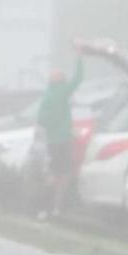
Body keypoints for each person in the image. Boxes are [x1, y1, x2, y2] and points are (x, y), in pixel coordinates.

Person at [35, 50, 85, 217]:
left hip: (52, 141)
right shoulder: (62, 92)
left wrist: (51, 126)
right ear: (60, 80)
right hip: (64, 140)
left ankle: (44, 207)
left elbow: (41, 120)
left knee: (53, 174)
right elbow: (78, 79)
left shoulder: (47, 96)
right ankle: (55, 207)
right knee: (64, 175)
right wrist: (79, 56)